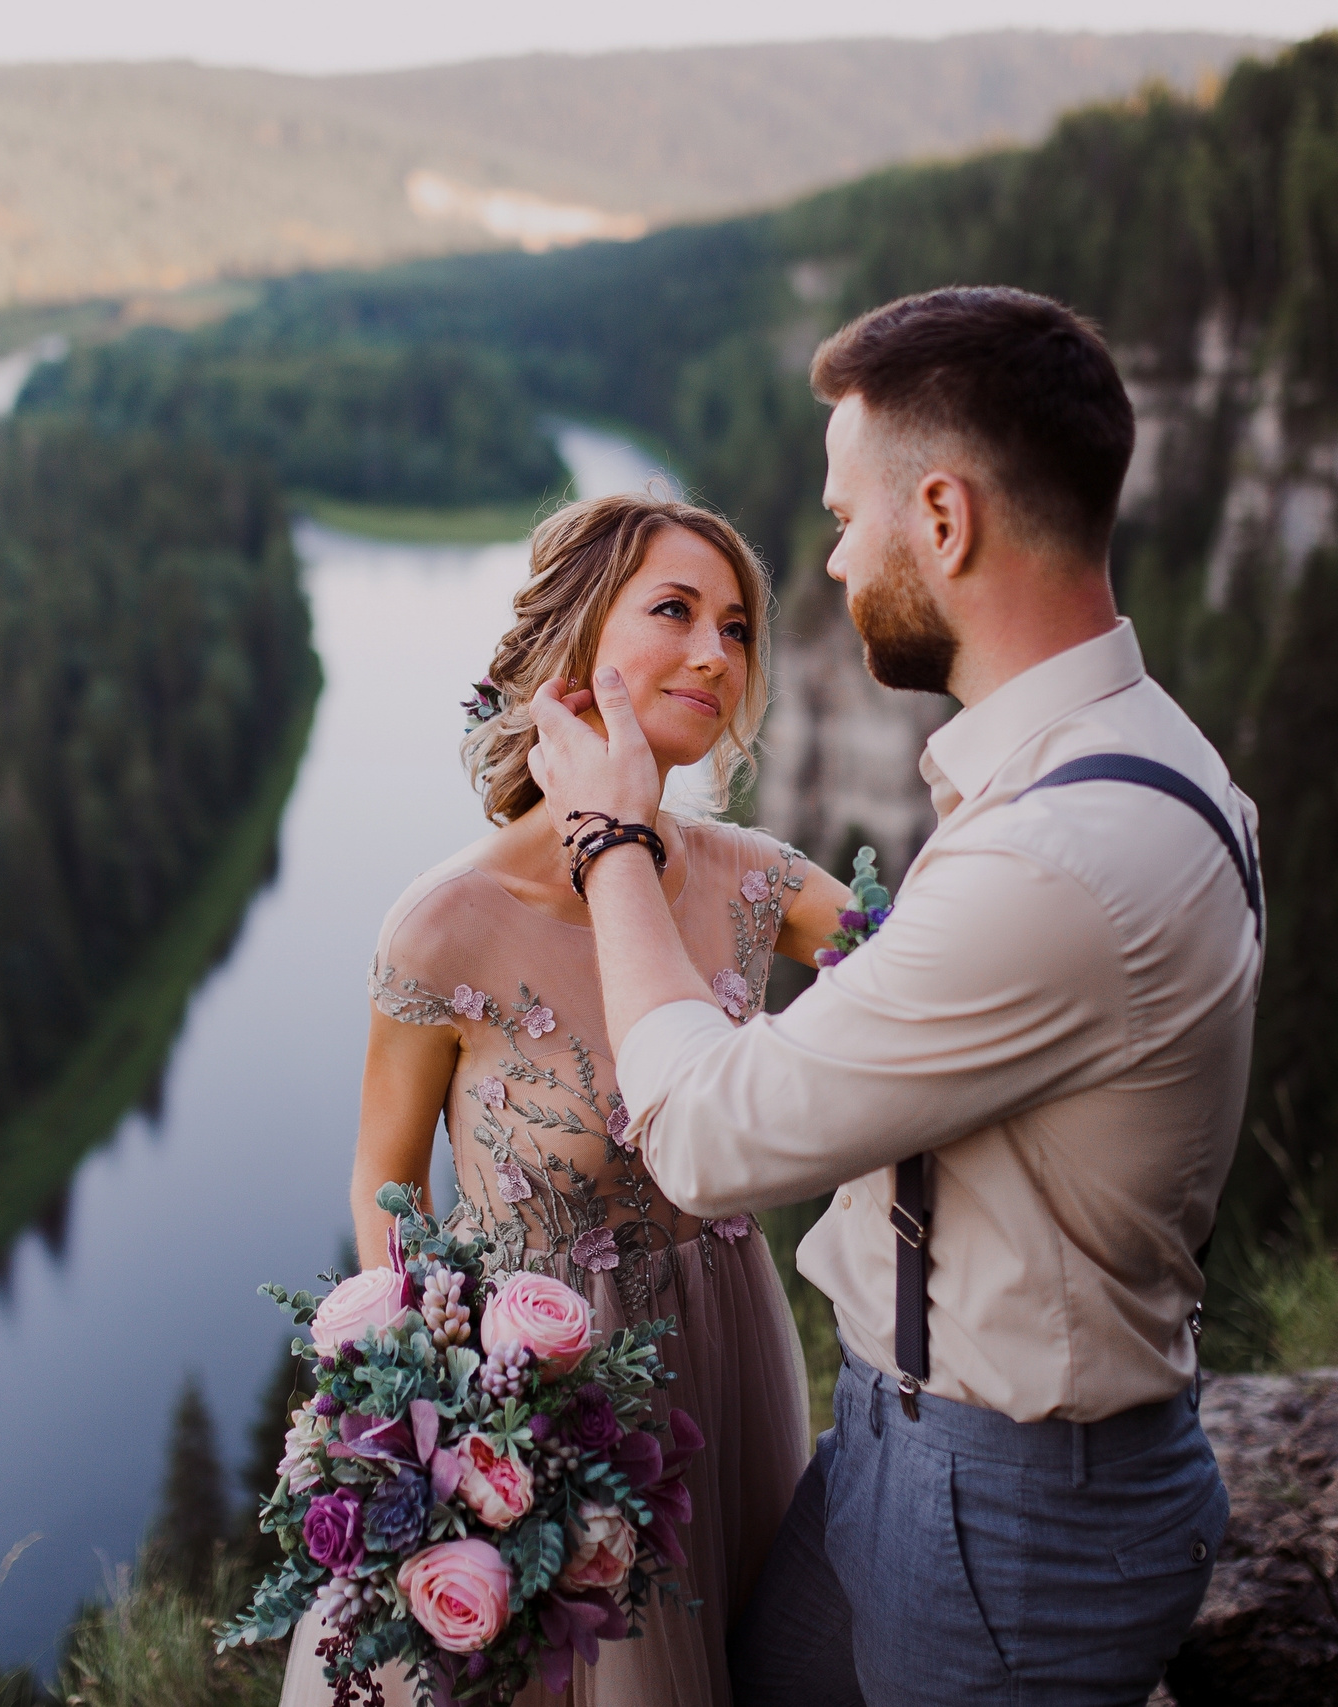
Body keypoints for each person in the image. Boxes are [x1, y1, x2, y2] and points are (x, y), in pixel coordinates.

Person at [525, 286, 1263, 1705]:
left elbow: (707, 1134)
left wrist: (612, 838)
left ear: (942, 517)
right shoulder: (1132, 762)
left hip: (1008, 1516)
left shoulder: (1059, 851)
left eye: (845, 515)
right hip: (903, 1445)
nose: (834, 558)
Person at [278, 494, 853, 1707]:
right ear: (578, 638)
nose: (716, 653)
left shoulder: (758, 881)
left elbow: (929, 976)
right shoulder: (442, 926)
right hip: (542, 1392)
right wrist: (435, 1405)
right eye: (674, 611)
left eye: (736, 628)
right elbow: (385, 1185)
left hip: (733, 1350)